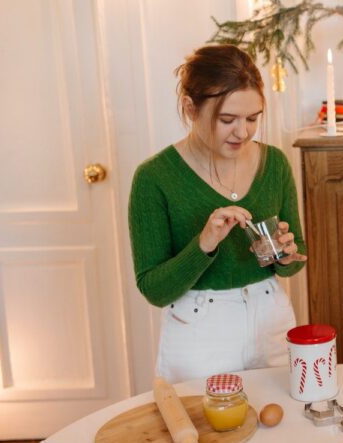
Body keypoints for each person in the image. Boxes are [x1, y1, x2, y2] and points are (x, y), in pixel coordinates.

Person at [129, 44, 307, 383]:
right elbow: (154, 289)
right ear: (190, 108)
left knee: (281, 414)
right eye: (227, 120)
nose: (243, 132)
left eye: (253, 118)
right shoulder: (154, 178)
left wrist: (286, 255)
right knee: (202, 417)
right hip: (198, 333)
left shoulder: (275, 163)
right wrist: (204, 244)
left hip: (271, 321)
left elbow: (296, 256)